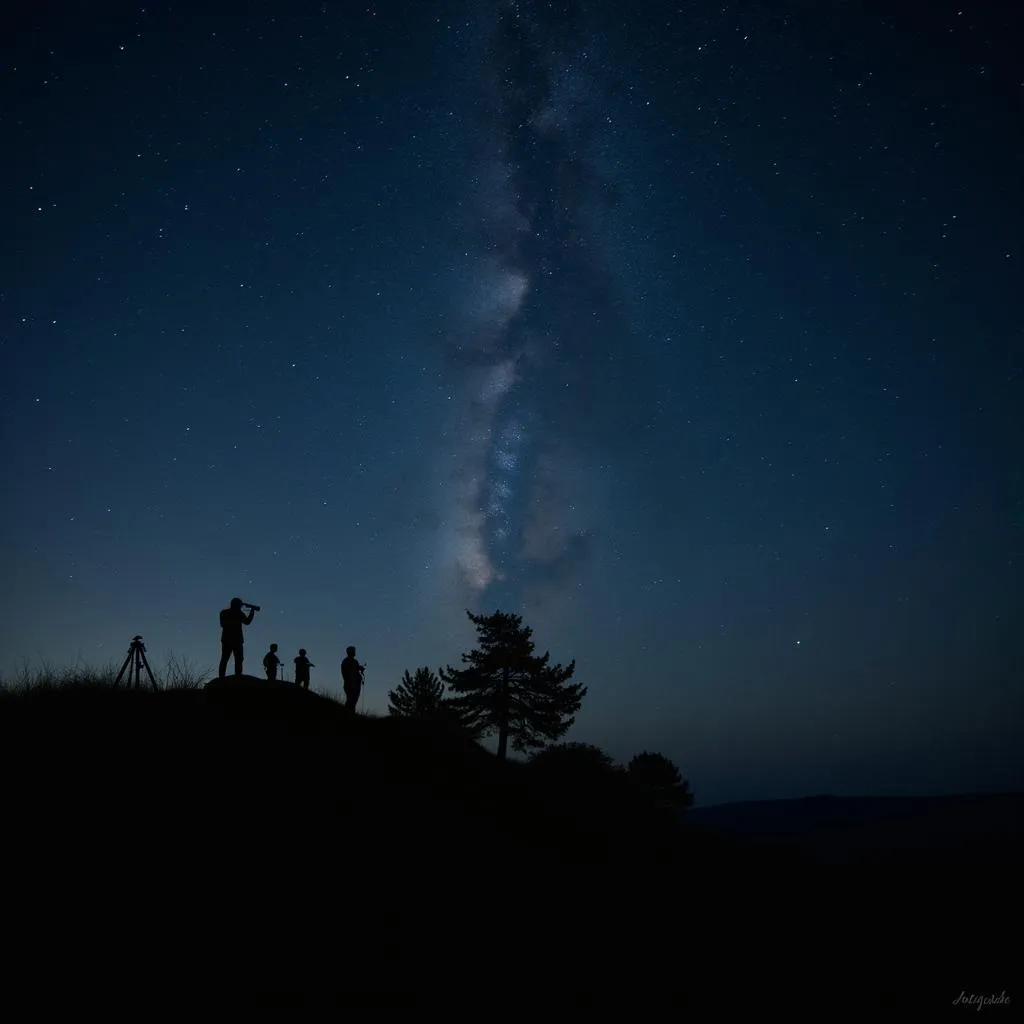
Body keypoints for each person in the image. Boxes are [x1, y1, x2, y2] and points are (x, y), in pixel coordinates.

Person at [219, 598, 256, 678]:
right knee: (237, 659)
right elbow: (247, 622)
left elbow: (222, 624)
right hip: (236, 640)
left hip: (227, 639)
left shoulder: (224, 612)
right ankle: (237, 677)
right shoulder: (238, 613)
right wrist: (252, 612)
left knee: (225, 659)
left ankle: (222, 677)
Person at [340, 645, 365, 714]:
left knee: (353, 700)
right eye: (353, 651)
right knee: (351, 700)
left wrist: (360, 668)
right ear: (350, 652)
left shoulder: (354, 661)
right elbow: (346, 673)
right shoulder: (346, 661)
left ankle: (350, 714)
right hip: (349, 684)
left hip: (356, 684)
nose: (355, 652)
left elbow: (356, 668)